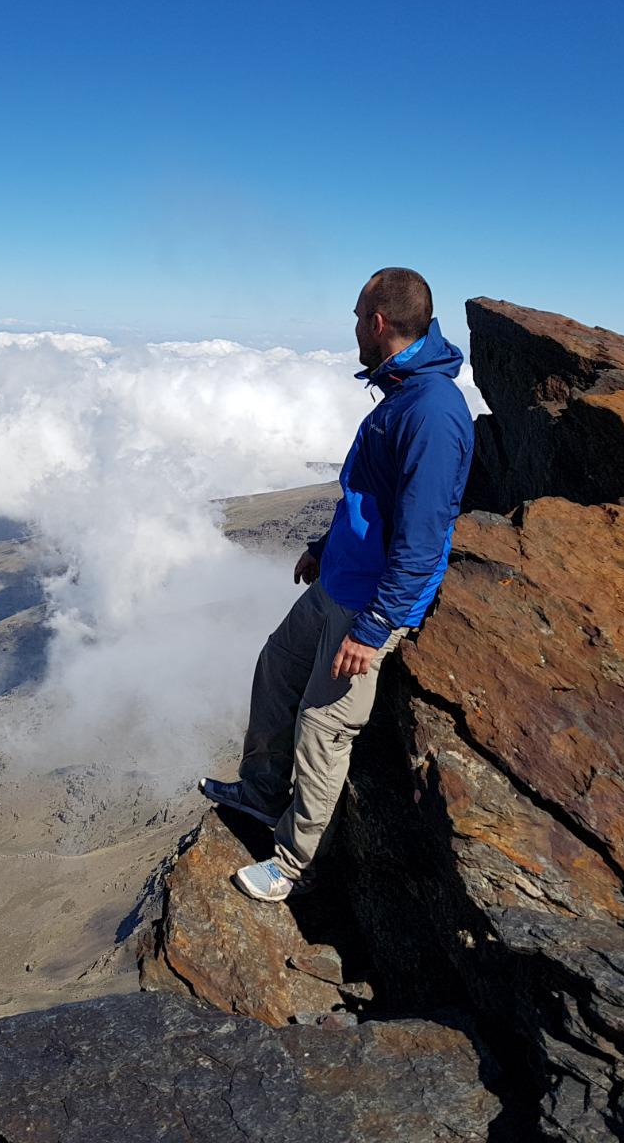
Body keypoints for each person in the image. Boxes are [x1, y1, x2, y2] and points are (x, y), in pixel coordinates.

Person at [199, 268, 474, 901]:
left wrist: (376, 626)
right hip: (338, 583)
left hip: (368, 606)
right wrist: (325, 549)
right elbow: (373, 499)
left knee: (324, 727)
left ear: (378, 323)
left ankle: (290, 866)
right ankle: (263, 793)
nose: (353, 328)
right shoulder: (403, 395)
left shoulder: (431, 413)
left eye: (357, 317)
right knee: (275, 669)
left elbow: (423, 532)